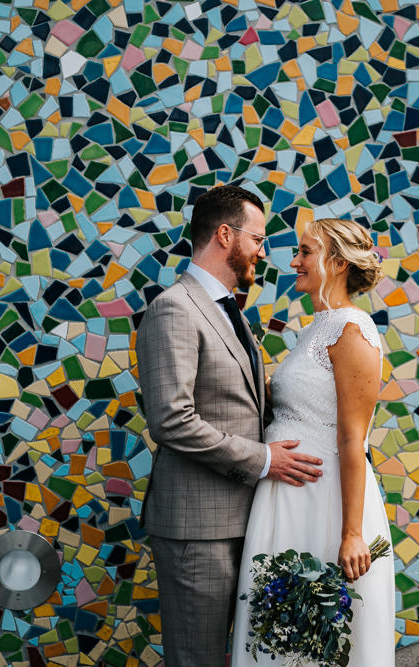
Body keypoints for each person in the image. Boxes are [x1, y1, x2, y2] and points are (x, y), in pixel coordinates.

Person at [135, 184, 324, 667]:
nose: (263, 251)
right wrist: (265, 459)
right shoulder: (174, 308)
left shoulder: (228, 311)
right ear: (225, 235)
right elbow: (171, 421)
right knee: (197, 659)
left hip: (245, 520)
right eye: (258, 239)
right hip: (197, 528)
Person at [231, 218, 395, 666]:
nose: (295, 261)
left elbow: (351, 438)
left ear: (338, 263)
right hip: (284, 497)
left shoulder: (353, 331)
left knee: (320, 638)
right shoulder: (315, 329)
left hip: (323, 502)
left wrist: (352, 533)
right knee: (280, 637)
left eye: (306, 252)